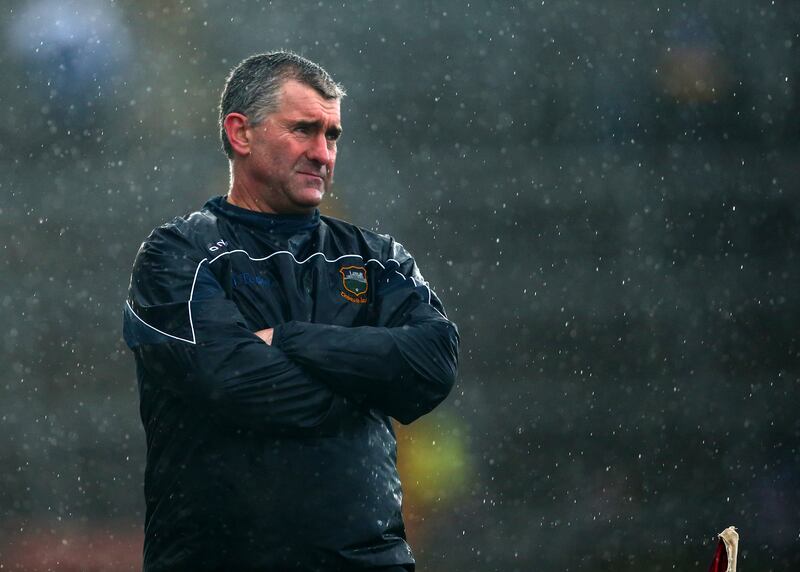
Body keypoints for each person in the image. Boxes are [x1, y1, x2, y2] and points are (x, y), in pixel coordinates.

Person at [122, 51, 460, 572]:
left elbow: (434, 363)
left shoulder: (377, 258)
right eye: (304, 130)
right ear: (241, 133)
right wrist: (364, 381)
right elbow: (231, 383)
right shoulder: (177, 255)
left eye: (333, 135)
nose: (323, 153)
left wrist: (288, 339)